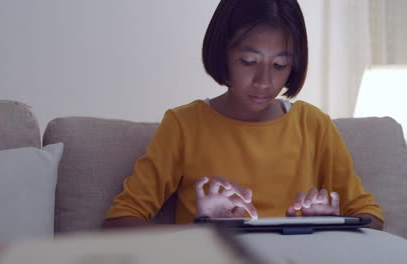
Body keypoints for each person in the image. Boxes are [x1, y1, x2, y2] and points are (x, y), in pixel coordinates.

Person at [102, 0, 384, 229]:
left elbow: (371, 216)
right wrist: (201, 230)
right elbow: (119, 221)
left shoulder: (313, 125)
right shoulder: (184, 125)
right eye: (249, 61)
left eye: (280, 64)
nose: (264, 81)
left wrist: (331, 228)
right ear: (222, 53)